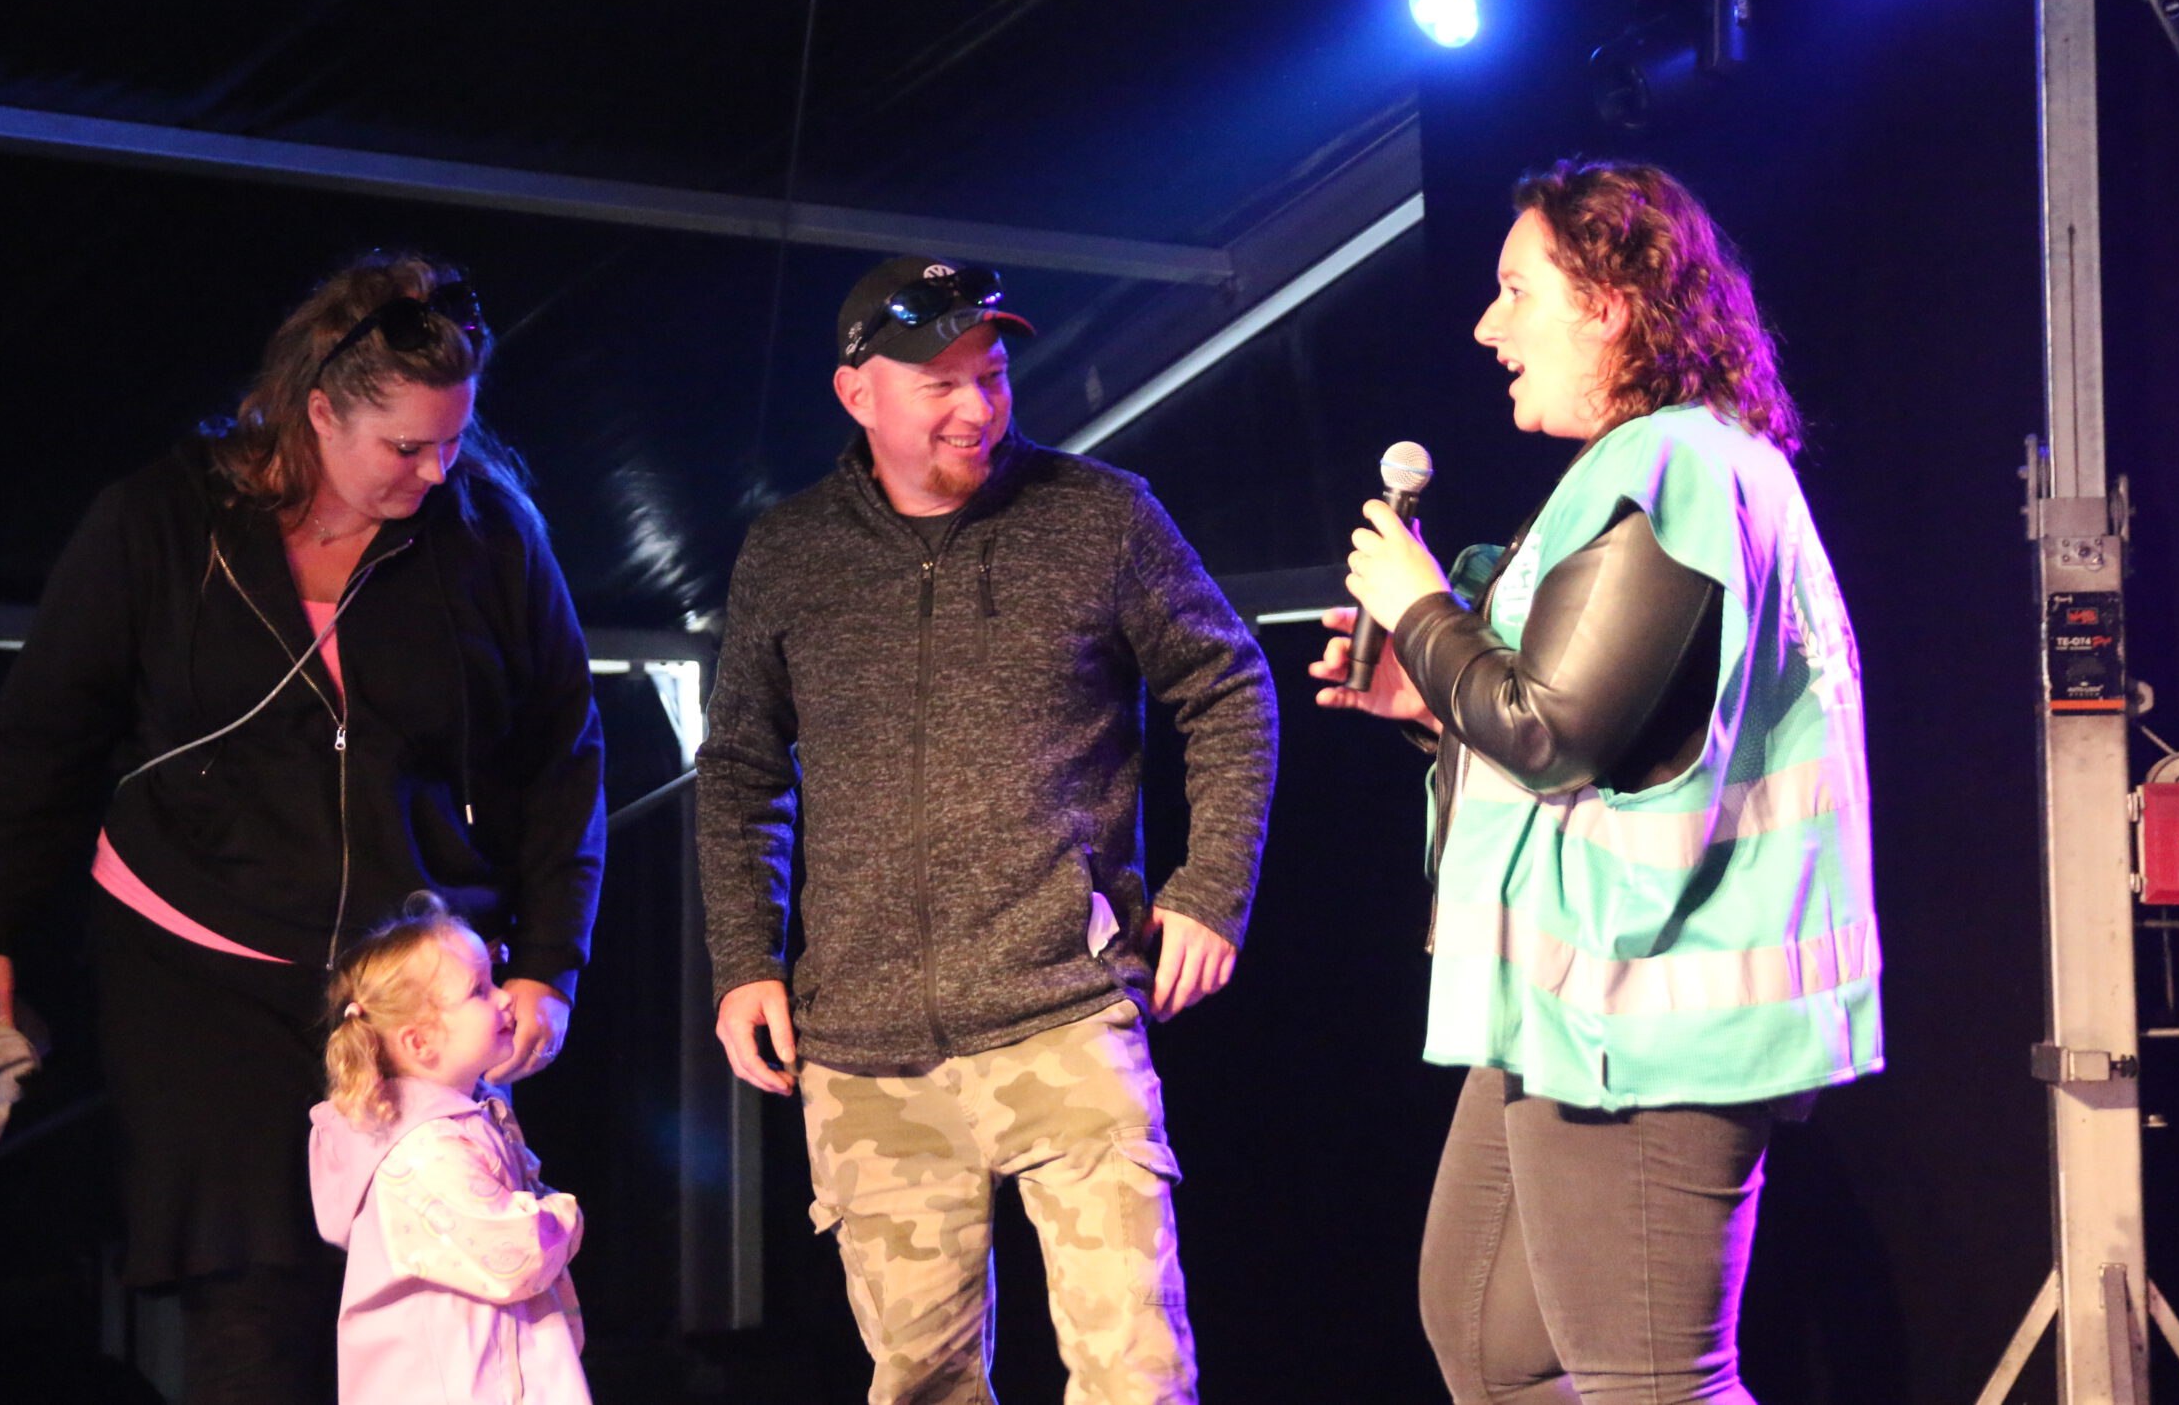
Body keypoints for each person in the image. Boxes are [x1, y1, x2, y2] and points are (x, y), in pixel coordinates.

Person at [0, 251, 606, 1404]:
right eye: (404, 447)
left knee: (443, 1303)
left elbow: (562, 754)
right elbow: (39, 745)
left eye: (452, 441)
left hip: (410, 995)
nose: (435, 472)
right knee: (253, 1313)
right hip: (204, 979)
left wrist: (549, 966)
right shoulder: (160, 522)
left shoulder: (490, 533)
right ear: (318, 413)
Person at [1312, 162, 1880, 1405]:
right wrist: (1429, 696)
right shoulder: (1653, 468)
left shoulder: (1676, 466)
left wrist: (1420, 609)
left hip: (1649, 1014)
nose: (1488, 327)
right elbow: (1608, 736)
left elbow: (1553, 729)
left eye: (1517, 291)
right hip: (1571, 1002)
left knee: (1652, 1383)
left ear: (1612, 304)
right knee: (1491, 1346)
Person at [697, 255, 1277, 1405]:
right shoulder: (790, 553)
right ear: (857, 393)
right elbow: (741, 770)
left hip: (1067, 1011)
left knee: (1135, 1377)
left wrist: (1210, 889)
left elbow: (1228, 687)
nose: (978, 406)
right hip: (866, 1050)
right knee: (921, 1384)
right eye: (940, 383)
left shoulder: (1101, 515)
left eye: (993, 374)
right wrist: (742, 962)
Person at [311, 895, 589, 1405]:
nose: (505, 998)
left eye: (494, 978)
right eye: (478, 990)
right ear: (419, 1042)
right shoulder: (426, 1151)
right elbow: (517, 1254)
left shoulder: (467, 1122)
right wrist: (564, 1216)